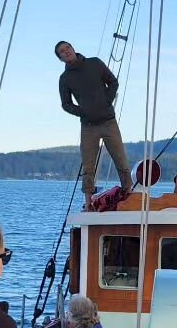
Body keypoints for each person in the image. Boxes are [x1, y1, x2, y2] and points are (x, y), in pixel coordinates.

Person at [56, 40, 133, 208]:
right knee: (88, 165)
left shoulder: (94, 63)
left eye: (68, 47)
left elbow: (113, 82)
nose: (66, 51)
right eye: (62, 51)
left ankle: (130, 195)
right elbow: (65, 104)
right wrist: (83, 111)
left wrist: (106, 101)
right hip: (88, 126)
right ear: (60, 58)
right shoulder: (65, 79)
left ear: (73, 48)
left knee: (121, 160)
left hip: (108, 121)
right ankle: (88, 202)